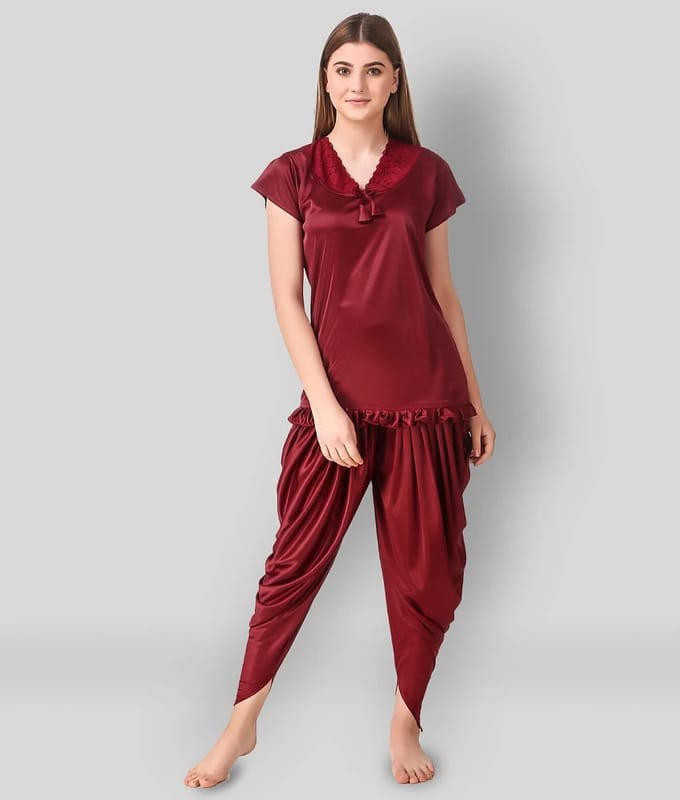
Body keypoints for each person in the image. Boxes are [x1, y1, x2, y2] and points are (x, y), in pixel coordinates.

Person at [184, 12, 496, 790]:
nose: (358, 84)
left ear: (395, 82)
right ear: (325, 81)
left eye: (373, 70)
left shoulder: (427, 173)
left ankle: (405, 720)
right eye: (344, 69)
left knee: (429, 573)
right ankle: (241, 724)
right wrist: (325, 406)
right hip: (341, 403)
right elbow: (287, 301)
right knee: (292, 564)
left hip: (428, 399)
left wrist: (475, 402)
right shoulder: (291, 174)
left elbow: (445, 294)